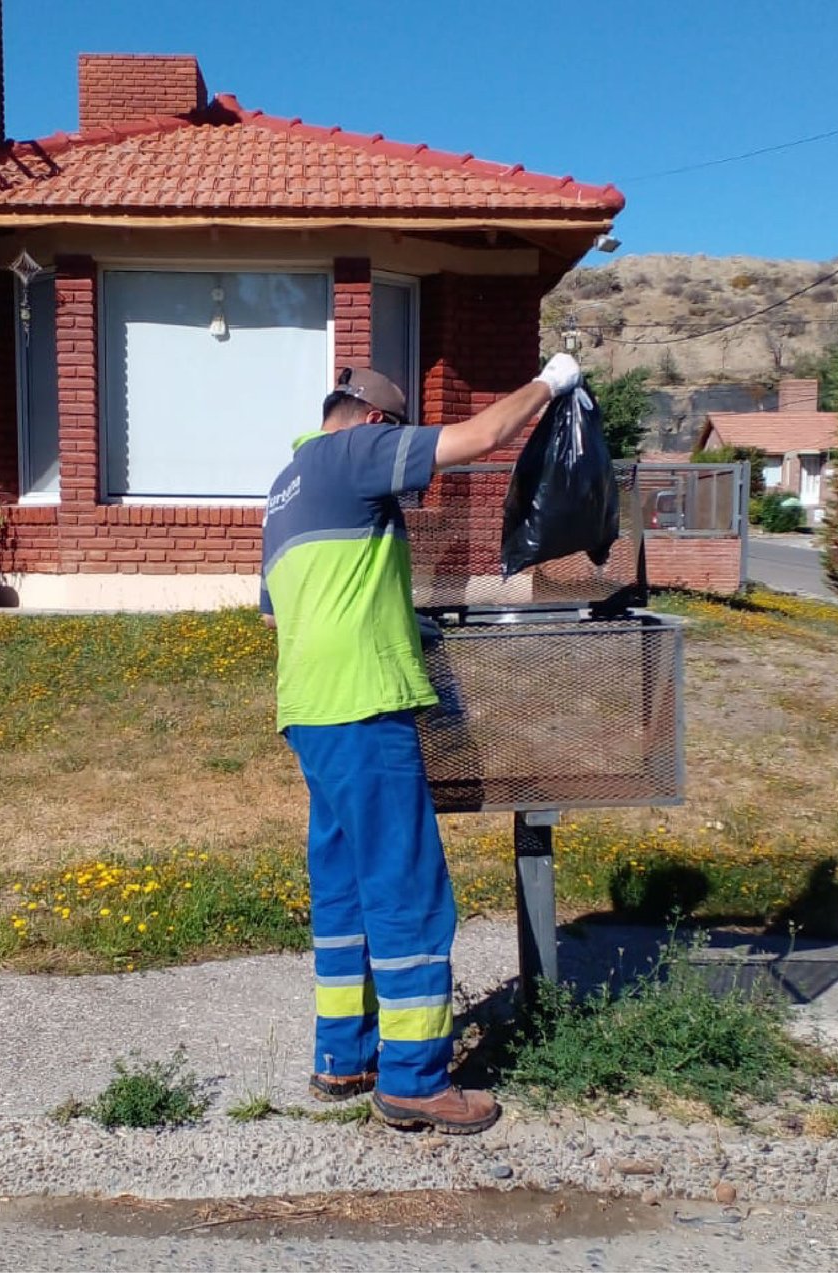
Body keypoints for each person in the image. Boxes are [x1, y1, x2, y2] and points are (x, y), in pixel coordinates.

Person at [260, 353, 584, 1134]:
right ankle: (414, 1079)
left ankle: (343, 1055)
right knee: (407, 888)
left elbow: (275, 612)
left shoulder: (285, 485)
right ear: (376, 422)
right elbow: (481, 437)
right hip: (366, 704)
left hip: (310, 710)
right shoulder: (357, 451)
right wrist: (552, 381)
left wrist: (388, 612)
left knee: (344, 888)